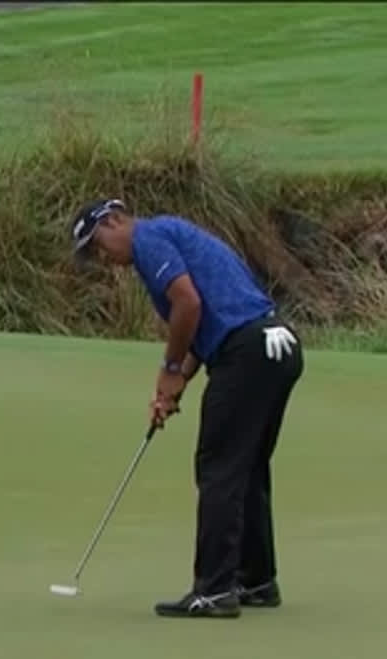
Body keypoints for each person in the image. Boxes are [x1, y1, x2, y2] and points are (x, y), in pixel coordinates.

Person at [70, 199, 305, 619]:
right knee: (246, 467)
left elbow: (188, 305)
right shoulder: (171, 233)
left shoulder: (149, 239)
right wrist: (176, 386)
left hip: (248, 351)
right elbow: (207, 330)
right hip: (277, 346)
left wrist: (169, 368)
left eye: (98, 245)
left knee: (218, 468)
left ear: (113, 220)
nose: (103, 259)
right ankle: (257, 580)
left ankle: (214, 590)